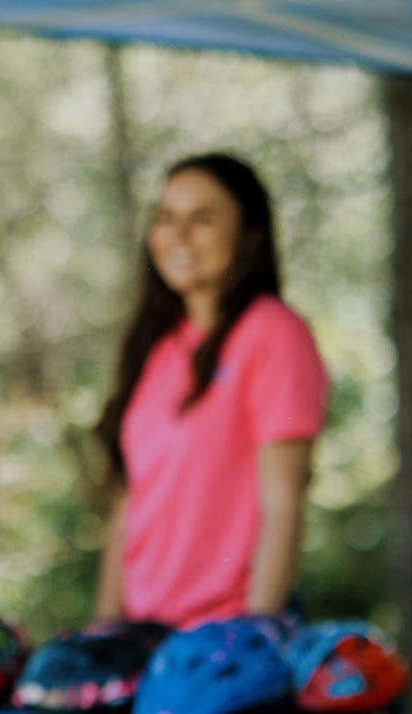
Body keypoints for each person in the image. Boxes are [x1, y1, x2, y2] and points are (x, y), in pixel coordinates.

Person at [91, 152, 328, 630]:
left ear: (250, 233)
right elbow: (132, 502)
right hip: (141, 632)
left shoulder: (274, 334)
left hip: (222, 634)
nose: (177, 236)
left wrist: (256, 634)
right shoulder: (156, 344)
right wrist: (105, 625)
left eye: (202, 219)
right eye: (165, 218)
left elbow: (283, 501)